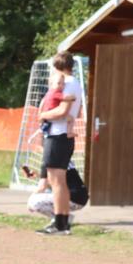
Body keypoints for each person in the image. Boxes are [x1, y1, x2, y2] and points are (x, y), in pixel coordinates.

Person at [35, 52, 83, 235]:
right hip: (61, 136)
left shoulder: (67, 83)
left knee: (56, 181)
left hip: (58, 135)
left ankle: (61, 223)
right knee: (58, 181)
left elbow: (63, 111)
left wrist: (42, 115)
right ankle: (61, 221)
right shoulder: (74, 83)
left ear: (57, 67)